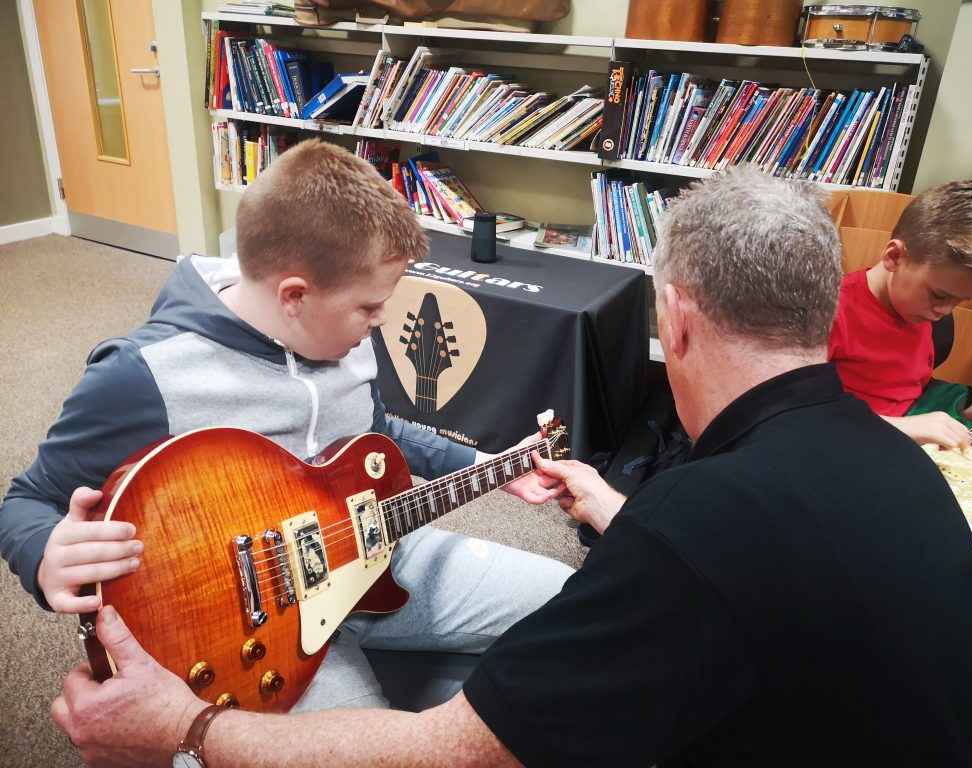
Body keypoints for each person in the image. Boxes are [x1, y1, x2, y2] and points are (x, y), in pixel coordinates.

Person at [50, 165, 972, 767]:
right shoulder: (901, 464)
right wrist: (609, 501)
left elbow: (455, 754)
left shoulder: (699, 524)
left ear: (672, 317)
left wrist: (187, 729)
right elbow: (744, 561)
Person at [0, 138, 573, 715]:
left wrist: (495, 469)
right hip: (253, 634)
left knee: (575, 607)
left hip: (375, 555)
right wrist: (44, 551)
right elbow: (26, 500)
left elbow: (377, 434)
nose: (380, 323)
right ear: (294, 296)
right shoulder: (141, 375)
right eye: (369, 308)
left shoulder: (345, 336)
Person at [828, 180, 972, 451]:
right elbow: (789, 417)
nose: (944, 312)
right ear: (894, 256)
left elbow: (912, 395)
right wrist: (902, 427)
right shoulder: (826, 314)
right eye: (940, 296)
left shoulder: (917, 311)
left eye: (962, 300)